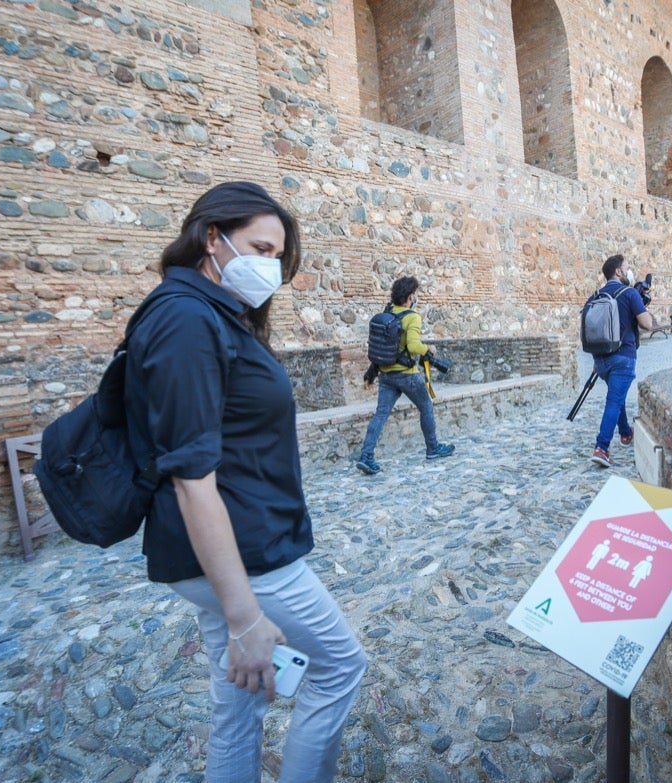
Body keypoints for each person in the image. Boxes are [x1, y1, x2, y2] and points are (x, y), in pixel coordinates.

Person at [122, 181, 365, 783]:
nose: (271, 268)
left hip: (225, 546)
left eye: (278, 258)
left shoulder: (211, 314)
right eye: (260, 248)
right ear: (212, 236)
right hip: (244, 550)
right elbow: (190, 476)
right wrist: (244, 616)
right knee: (338, 667)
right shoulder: (185, 318)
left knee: (240, 700)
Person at [355, 276, 455, 475]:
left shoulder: (387, 313)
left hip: (385, 375)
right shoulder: (413, 317)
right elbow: (413, 346)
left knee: (381, 414)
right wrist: (430, 348)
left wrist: (371, 374)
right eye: (414, 295)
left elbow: (382, 349)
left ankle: (366, 456)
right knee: (426, 406)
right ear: (410, 297)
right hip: (407, 375)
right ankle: (433, 448)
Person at [587, 254, 652, 468]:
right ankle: (601, 448)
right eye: (627, 267)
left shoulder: (595, 295)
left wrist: (597, 360)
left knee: (618, 396)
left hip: (602, 361)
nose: (630, 270)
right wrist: (643, 305)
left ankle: (625, 433)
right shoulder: (630, 293)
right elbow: (647, 324)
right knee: (614, 401)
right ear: (619, 272)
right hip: (623, 358)